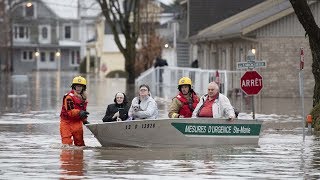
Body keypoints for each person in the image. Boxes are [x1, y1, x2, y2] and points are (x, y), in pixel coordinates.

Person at [60, 76, 90, 146]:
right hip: (66, 123)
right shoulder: (68, 97)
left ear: (83, 88)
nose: (78, 88)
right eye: (77, 86)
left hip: (77, 123)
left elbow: (84, 111)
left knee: (80, 144)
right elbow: (70, 111)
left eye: (80, 86)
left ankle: (79, 156)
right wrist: (79, 112)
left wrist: (85, 121)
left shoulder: (84, 98)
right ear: (74, 87)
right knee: (66, 144)